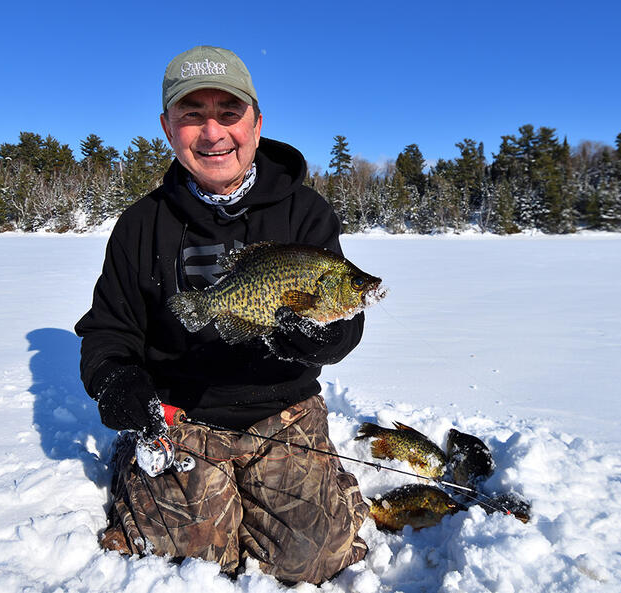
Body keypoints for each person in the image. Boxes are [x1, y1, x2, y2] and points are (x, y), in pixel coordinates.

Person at [74, 46, 369, 584]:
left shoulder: (306, 213)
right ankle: (135, 472)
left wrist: (318, 339)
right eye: (192, 115)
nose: (213, 133)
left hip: (283, 410)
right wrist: (117, 381)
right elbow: (107, 333)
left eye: (228, 113)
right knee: (187, 565)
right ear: (168, 128)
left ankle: (327, 486)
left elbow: (343, 317)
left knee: (313, 559)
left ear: (256, 122)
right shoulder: (141, 225)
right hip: (179, 417)